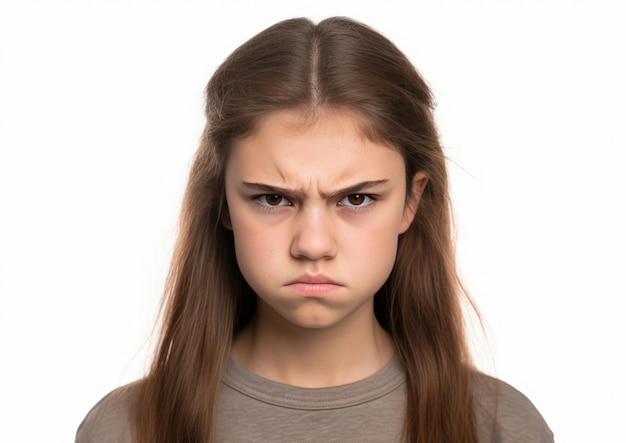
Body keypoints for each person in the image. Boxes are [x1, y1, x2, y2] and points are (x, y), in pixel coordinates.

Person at [76, 16, 553, 442]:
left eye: (356, 198)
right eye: (273, 199)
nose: (313, 244)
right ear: (222, 202)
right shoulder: (126, 430)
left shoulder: (499, 429)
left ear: (412, 200)